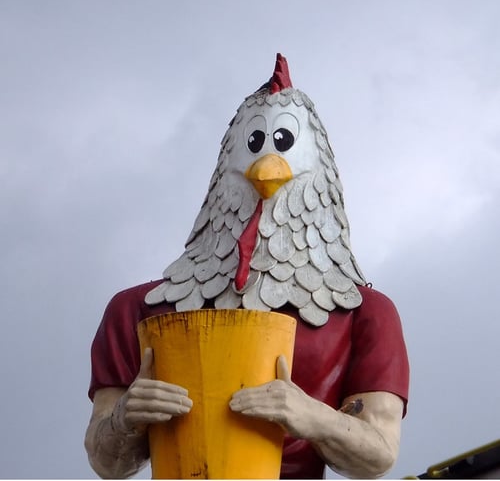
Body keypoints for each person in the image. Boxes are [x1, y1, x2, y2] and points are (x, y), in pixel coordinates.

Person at [85, 54, 409, 479]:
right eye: (255, 142)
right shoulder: (135, 311)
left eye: (284, 141)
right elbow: (104, 461)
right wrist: (126, 417)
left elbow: (378, 453)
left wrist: (312, 415)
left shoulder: (365, 314)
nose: (265, 163)